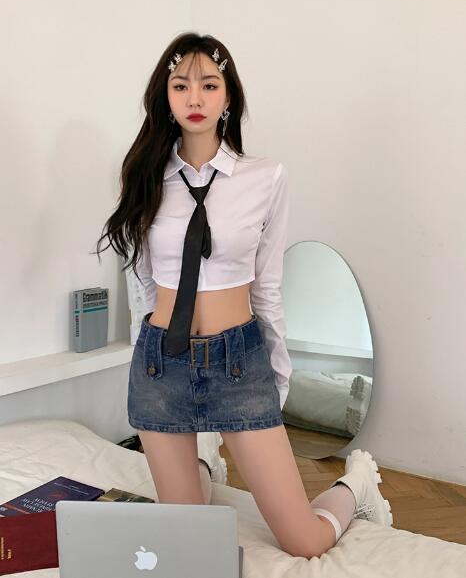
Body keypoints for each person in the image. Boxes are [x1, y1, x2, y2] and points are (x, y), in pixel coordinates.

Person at [94, 32, 393, 559]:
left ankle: (357, 485)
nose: (195, 98)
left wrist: (278, 373)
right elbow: (141, 284)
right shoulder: (142, 176)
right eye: (181, 85)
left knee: (303, 541)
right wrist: (143, 365)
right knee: (188, 538)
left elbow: (268, 287)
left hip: (238, 362)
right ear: (164, 96)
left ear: (228, 95)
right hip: (162, 364)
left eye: (209, 85)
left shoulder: (266, 178)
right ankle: (204, 461)